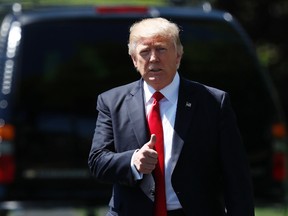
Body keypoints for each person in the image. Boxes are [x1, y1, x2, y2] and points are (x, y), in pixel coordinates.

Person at [88, 17, 255, 216]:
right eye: (144, 52)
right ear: (134, 60)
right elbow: (98, 162)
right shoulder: (111, 101)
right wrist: (133, 161)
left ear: (178, 55)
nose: (153, 58)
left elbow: (236, 177)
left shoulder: (212, 102)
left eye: (161, 49)